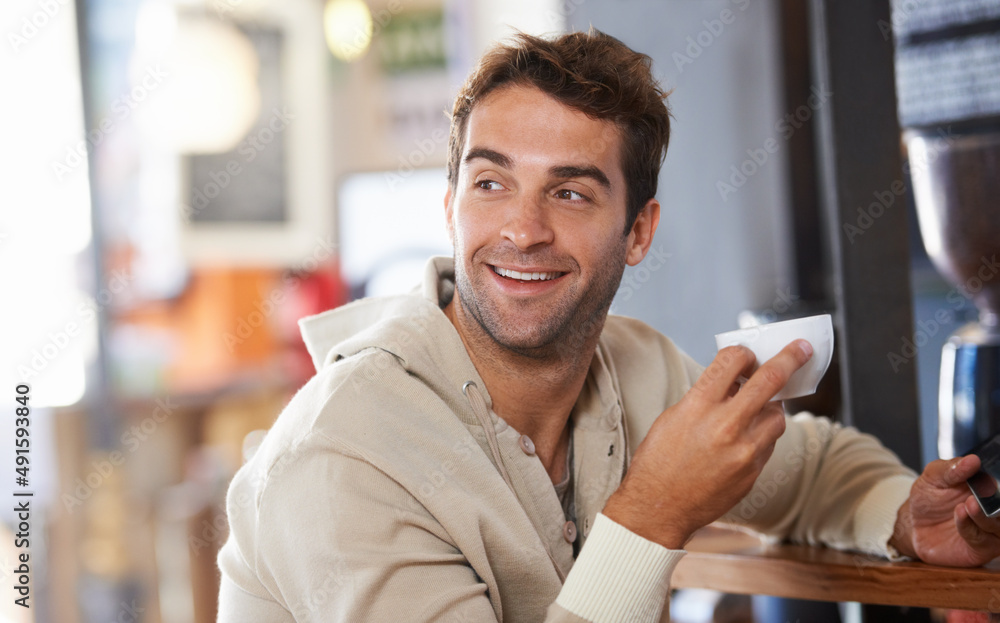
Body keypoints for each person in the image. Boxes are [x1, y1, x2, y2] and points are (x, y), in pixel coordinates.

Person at [216, 29, 1000, 622]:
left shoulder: (633, 367)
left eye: (571, 193)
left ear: (638, 230)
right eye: (491, 182)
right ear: (451, 205)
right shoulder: (342, 453)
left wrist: (903, 515)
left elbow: (809, 467)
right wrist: (655, 509)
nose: (522, 230)